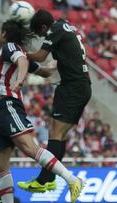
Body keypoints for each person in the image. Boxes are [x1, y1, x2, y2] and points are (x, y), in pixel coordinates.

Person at [0, 19, 84, 203]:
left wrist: (19, 80)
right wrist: (63, 58)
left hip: (7, 105)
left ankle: (72, 180)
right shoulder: (20, 53)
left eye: (0, 32)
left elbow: (20, 61)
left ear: (4, 33)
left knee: (29, 147)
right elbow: (45, 71)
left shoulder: (10, 47)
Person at [17, 9, 91, 196]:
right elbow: (55, 62)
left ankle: (44, 180)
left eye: (41, 33)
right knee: (60, 134)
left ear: (44, 27)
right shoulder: (65, 26)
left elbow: (41, 56)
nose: (42, 37)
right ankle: (48, 179)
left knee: (55, 133)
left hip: (73, 87)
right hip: (80, 86)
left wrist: (19, 53)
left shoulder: (55, 30)